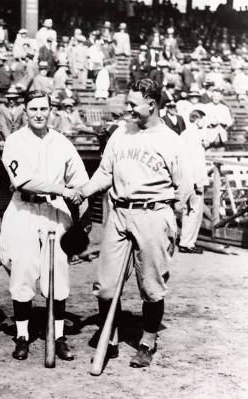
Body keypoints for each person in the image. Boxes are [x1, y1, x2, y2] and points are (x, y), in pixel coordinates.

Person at [78, 78, 191, 368]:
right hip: (119, 213)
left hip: (153, 214)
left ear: (151, 104)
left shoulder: (171, 141)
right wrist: (84, 191)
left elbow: (184, 188)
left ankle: (147, 341)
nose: (128, 109)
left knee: (151, 287)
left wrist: (164, 218)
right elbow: (105, 173)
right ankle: (110, 336)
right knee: (104, 286)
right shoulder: (120, 134)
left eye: (133, 104)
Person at [0, 90, 88, 361]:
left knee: (57, 272)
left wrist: (83, 214)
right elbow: (23, 181)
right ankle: (23, 335)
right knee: (23, 269)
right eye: (33, 109)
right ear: (25, 111)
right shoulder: (15, 141)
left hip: (55, 210)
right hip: (24, 207)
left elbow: (80, 181)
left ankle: (59, 336)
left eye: (43, 109)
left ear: (51, 111)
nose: (38, 114)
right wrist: (63, 189)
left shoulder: (61, 142)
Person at [179, 110, 208, 254]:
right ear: (198, 120)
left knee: (187, 210)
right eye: (202, 120)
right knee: (195, 211)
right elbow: (196, 161)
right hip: (194, 178)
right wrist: (199, 181)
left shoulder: (184, 134)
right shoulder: (195, 135)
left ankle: (185, 241)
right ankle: (188, 243)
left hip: (184, 178)